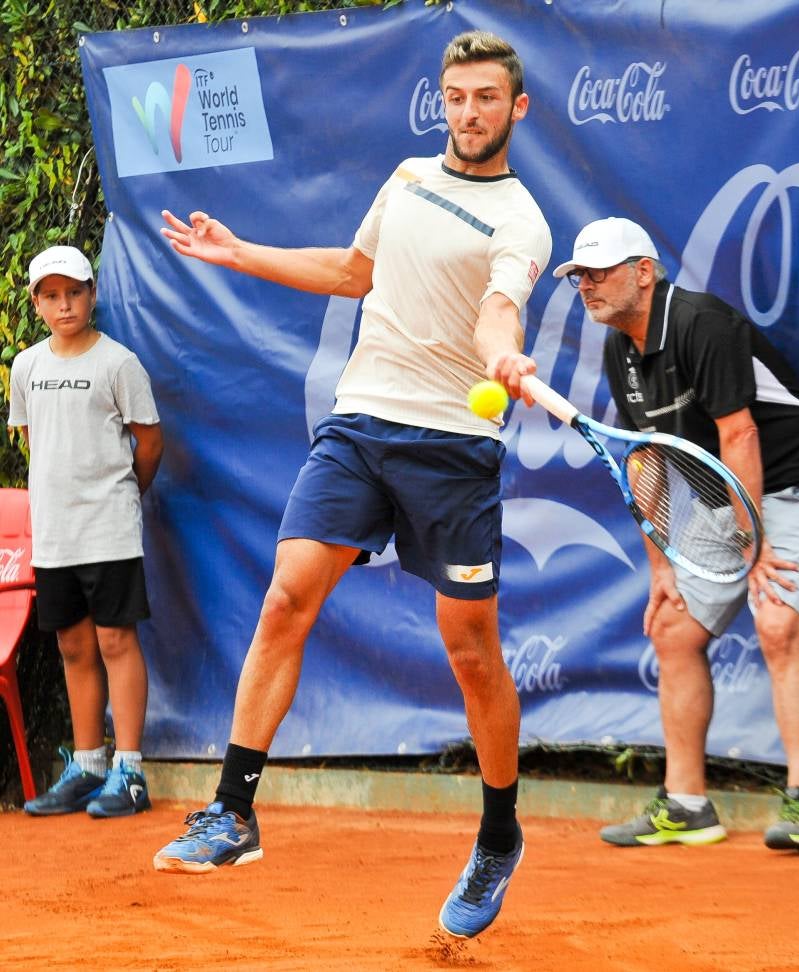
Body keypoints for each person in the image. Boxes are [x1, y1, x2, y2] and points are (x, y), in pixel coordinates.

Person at [151, 32, 551, 938]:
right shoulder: (407, 179)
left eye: (487, 98)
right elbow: (353, 273)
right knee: (288, 597)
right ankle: (233, 811)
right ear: (441, 101)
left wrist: (502, 355)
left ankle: (498, 832)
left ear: (516, 109)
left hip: (453, 445)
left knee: (470, 649)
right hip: (361, 424)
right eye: (455, 96)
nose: (469, 113)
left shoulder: (524, 220)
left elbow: (499, 309)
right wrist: (240, 252)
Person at [554, 217, 799, 852]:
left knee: (776, 623)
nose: (588, 286)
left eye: (600, 271)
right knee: (673, 628)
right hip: (727, 495)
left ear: (644, 271)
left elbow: (738, 435)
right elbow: (647, 458)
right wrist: (661, 566)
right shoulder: (620, 349)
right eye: (580, 276)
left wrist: (754, 544)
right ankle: (687, 802)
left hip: (796, 481)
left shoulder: (700, 321)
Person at [8, 244, 164, 818]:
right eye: (51, 295)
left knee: (115, 641)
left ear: (92, 294)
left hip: (110, 530)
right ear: (36, 303)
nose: (64, 304)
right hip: (54, 536)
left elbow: (149, 444)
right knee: (74, 646)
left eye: (74, 292)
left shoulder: (118, 364)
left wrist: (124, 496)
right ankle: (89, 766)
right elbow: (35, 444)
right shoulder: (25, 367)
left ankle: (129, 772)